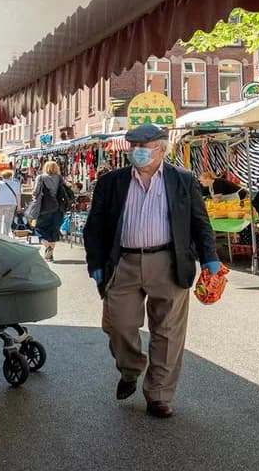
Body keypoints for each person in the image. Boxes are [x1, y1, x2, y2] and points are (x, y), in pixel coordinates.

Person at [83, 124, 219, 419]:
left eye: (144, 145)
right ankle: (130, 369)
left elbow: (200, 222)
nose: (137, 151)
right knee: (118, 325)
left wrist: (210, 258)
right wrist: (94, 262)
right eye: (133, 146)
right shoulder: (112, 182)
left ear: (161, 148)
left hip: (169, 261)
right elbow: (94, 225)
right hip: (124, 263)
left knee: (168, 332)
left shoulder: (183, 180)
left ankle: (159, 394)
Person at [26, 160, 72, 262]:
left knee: (39, 229)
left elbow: (35, 192)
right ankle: (50, 255)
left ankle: (48, 248)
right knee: (54, 231)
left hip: (44, 208)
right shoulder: (60, 178)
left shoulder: (41, 177)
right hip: (58, 208)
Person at [0, 169, 22, 236]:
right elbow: (18, 195)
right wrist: (19, 205)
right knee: (7, 221)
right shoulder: (16, 184)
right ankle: (5, 235)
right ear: (11, 176)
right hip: (11, 204)